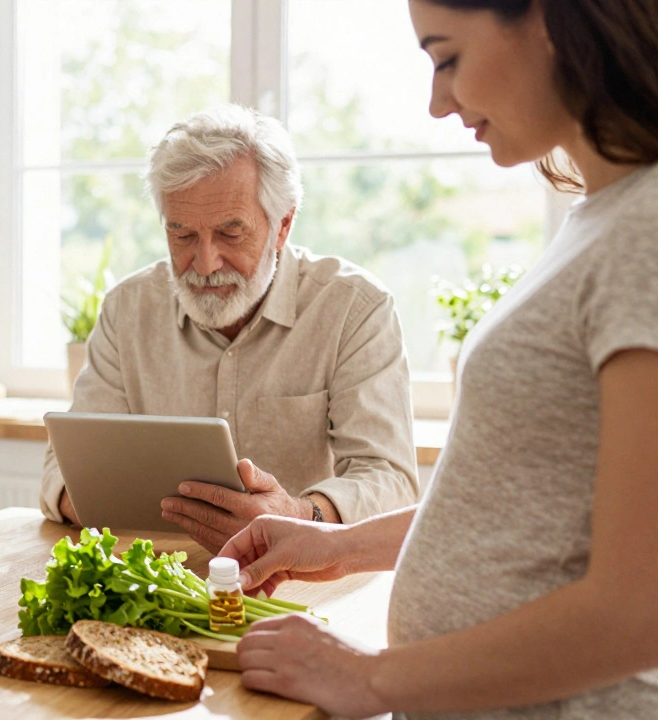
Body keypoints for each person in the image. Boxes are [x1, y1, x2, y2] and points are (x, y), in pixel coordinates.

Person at [221, 1, 658, 716]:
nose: (436, 101)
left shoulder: (645, 229)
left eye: (447, 57)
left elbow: (641, 610)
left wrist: (367, 678)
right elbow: (527, 509)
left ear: (550, 21)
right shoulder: (604, 218)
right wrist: (336, 543)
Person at [40, 104, 419, 550]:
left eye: (230, 234)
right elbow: (63, 472)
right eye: (181, 235)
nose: (204, 263)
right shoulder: (127, 310)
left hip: (301, 581)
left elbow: (390, 480)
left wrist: (296, 516)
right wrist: (101, 501)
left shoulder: (354, 308)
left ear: (282, 225)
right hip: (159, 576)